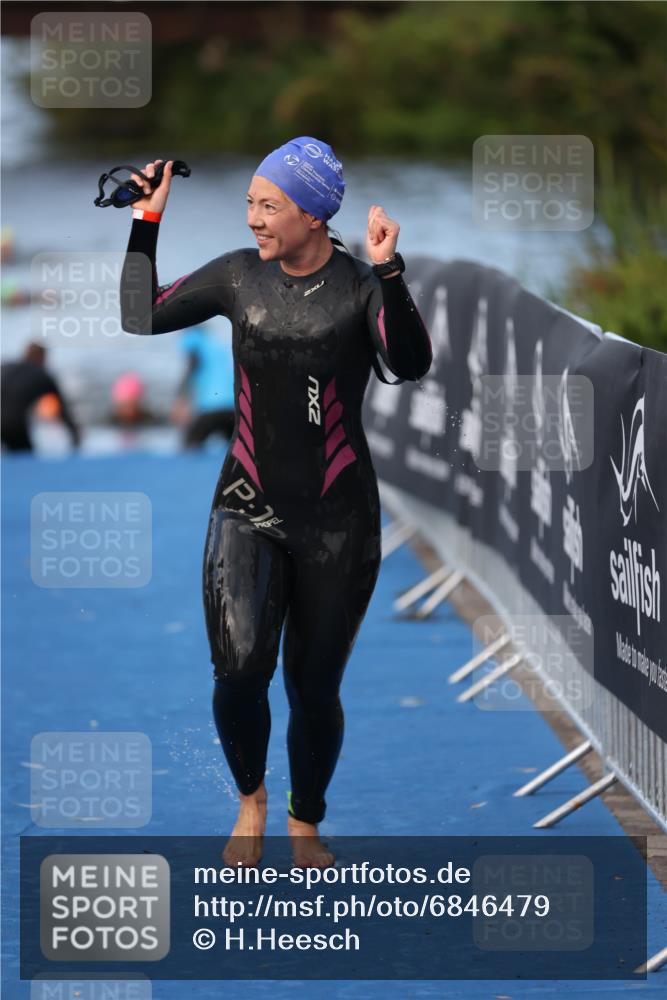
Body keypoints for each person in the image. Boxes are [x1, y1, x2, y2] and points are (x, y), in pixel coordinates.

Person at [119, 136, 432, 869]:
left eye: (270, 205)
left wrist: (389, 270)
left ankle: (304, 820)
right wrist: (145, 221)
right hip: (245, 504)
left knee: (313, 688)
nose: (254, 219)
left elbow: (408, 360)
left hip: (338, 521)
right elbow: (142, 315)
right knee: (237, 671)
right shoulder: (236, 278)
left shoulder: (359, 286)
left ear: (314, 215)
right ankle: (250, 798)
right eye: (250, 203)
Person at [1, 342, 80, 452]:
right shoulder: (41, 374)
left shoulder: (4, 368)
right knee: (24, 461)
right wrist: (75, 435)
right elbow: (62, 409)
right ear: (42, 357)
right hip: (15, 425)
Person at [172, 325, 236, 448]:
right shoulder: (215, 343)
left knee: (189, 446)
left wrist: (181, 399)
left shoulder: (192, 338)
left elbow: (192, 366)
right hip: (232, 407)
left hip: (211, 407)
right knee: (234, 451)